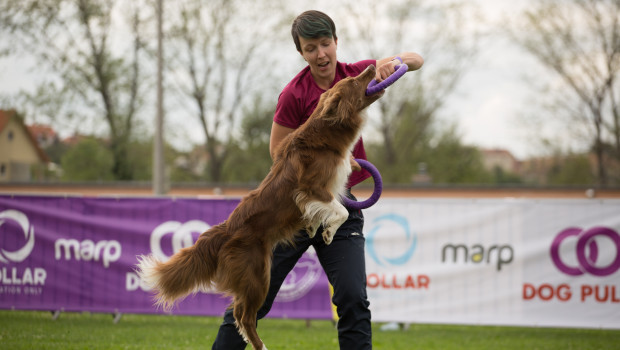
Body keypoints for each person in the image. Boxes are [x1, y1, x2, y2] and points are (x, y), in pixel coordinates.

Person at [212, 10, 423, 350]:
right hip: (294, 213)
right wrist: (328, 157)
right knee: (257, 301)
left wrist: (394, 64)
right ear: (302, 53)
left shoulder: (358, 75)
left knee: (354, 298)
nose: (321, 53)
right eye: (311, 48)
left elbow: (415, 60)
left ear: (336, 42)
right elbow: (279, 152)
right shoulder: (294, 94)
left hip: (341, 207)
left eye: (326, 44)